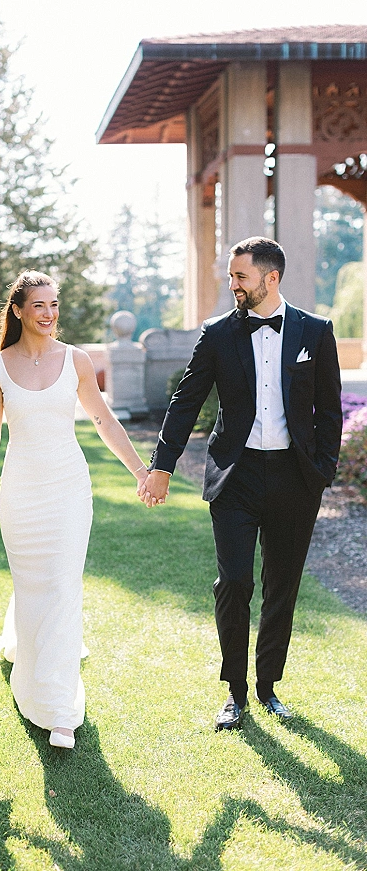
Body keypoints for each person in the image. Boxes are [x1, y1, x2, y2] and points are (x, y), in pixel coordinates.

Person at [138, 237, 342, 731]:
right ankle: (234, 692)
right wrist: (162, 466)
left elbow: (330, 407)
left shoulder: (315, 332)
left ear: (271, 278)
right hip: (236, 476)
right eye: (231, 277)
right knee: (234, 583)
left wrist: (323, 471)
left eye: (240, 277)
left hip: (296, 478)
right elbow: (185, 401)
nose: (233, 285)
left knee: (282, 589)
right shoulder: (217, 334)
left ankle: (268, 686)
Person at [0, 270, 149, 749]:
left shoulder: (76, 361)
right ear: (18, 311)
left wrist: (142, 472)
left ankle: (60, 708)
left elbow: (103, 419)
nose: (49, 313)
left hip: (67, 489)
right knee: (33, 585)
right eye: (39, 305)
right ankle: (29, 658)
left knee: (63, 585)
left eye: (54, 304)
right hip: (21, 492)